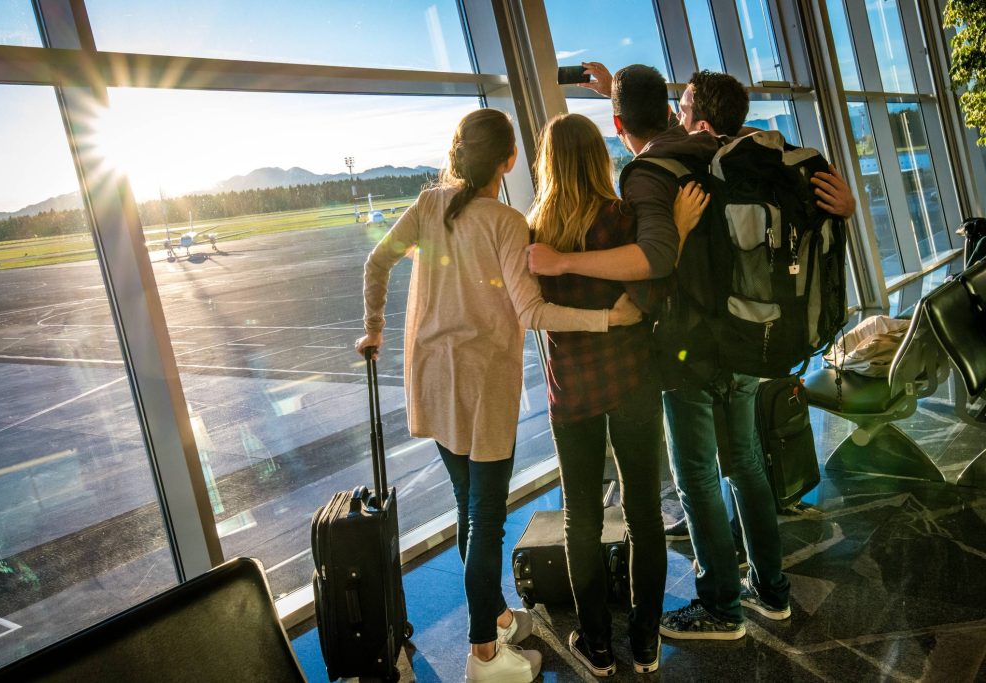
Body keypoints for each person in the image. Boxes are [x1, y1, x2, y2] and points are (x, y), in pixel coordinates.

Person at [546, 64, 855, 640]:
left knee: (696, 477)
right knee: (746, 464)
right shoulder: (720, 148)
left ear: (619, 125)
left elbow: (654, 267)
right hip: (746, 335)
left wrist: (570, 267)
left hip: (692, 347)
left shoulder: (648, 173)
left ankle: (720, 606)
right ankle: (772, 591)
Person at [355, 108, 642, 683]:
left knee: (468, 508)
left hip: (433, 379)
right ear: (510, 161)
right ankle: (483, 652)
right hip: (482, 386)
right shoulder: (508, 223)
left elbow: (376, 260)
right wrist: (607, 319)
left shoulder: (427, 205)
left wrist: (376, 326)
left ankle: (497, 616)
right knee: (485, 522)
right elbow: (532, 311)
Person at [528, 112, 708, 676]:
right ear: (597, 160)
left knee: (580, 517)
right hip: (632, 378)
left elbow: (532, 313)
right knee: (643, 514)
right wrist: (677, 229)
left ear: (548, 165)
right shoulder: (622, 219)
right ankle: (647, 640)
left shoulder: (534, 235)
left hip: (572, 389)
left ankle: (598, 645)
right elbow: (654, 289)